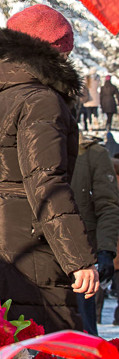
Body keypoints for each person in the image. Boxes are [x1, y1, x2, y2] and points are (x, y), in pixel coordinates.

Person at [0, 4, 99, 336]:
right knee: (45, 353)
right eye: (64, 53)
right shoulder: (40, 100)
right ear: (51, 51)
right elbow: (47, 182)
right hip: (28, 250)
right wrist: (78, 258)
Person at [70, 129, 119, 335]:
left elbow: (108, 206)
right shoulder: (34, 149)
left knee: (83, 330)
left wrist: (106, 250)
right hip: (38, 256)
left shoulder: (93, 154)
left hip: (81, 257)